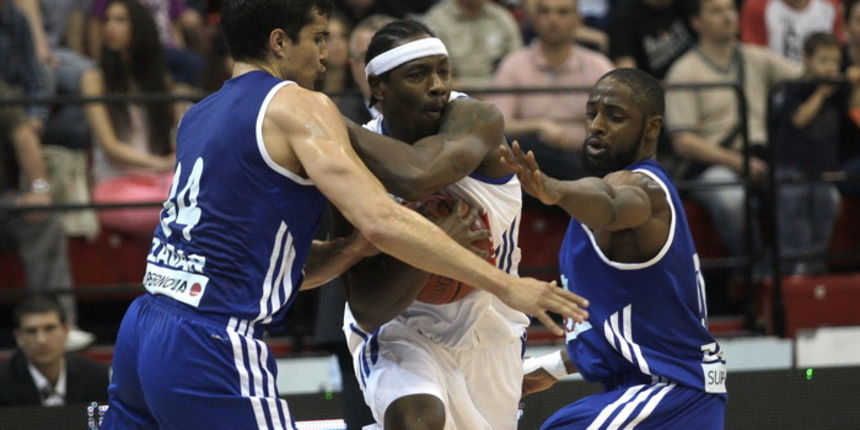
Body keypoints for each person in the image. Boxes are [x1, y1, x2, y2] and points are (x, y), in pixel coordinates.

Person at [100, 2, 588, 429]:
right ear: (278, 41)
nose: (325, 55)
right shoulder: (297, 104)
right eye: (316, 39)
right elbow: (384, 220)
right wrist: (508, 285)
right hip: (207, 338)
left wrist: (352, 250)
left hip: (143, 325)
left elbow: (277, 262)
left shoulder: (197, 116)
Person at [337, 19, 553, 430]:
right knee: (418, 422)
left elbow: (418, 174)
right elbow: (366, 309)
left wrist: (331, 123)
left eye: (443, 70)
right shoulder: (349, 163)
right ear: (378, 89)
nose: (437, 85)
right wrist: (430, 253)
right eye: (418, 74)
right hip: (402, 329)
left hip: (492, 330)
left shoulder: (478, 117)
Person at [502, 68, 727, 429]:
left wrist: (553, 190)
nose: (597, 125)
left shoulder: (643, 188)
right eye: (593, 112)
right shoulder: (599, 192)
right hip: (674, 392)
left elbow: (613, 204)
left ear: (652, 128)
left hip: (670, 392)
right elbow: (629, 330)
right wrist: (553, 366)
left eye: (615, 116)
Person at [663, 0, 801, 282]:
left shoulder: (757, 57)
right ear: (696, 23)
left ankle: (798, 270)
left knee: (806, 186)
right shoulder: (683, 71)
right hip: (710, 161)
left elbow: (805, 76)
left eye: (730, 9)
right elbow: (683, 141)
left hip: (760, 154)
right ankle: (754, 269)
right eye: (716, 11)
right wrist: (737, 162)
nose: (727, 16)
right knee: (731, 198)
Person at [0, 0, 94, 351]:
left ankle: (59, 324)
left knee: (43, 218)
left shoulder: (14, 19)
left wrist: (39, 189)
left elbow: (24, 133)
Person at [81, 0, 177, 239]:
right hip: (115, 182)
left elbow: (177, 133)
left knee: (208, 195)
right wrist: (161, 163)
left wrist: (168, 164)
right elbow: (110, 146)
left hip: (159, 178)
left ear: (140, 28)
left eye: (120, 20)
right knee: (173, 208)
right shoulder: (94, 79)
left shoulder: (161, 81)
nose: (109, 27)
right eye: (107, 20)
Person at [490, 0, 614, 181]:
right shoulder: (514, 64)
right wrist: (539, 125)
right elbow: (498, 124)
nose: (553, 20)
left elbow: (613, 125)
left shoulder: (598, 65)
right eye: (545, 12)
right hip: (531, 159)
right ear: (534, 19)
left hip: (585, 156)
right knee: (517, 147)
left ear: (578, 21)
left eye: (562, 13)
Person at [772, 32, 855, 274]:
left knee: (825, 213)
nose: (830, 67)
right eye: (823, 60)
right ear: (807, 60)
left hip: (824, 171)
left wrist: (854, 82)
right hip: (792, 169)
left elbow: (853, 110)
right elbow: (799, 119)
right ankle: (791, 271)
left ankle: (815, 269)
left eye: (835, 61)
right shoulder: (795, 88)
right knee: (793, 218)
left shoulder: (839, 90)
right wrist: (821, 93)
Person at [0, 295, 109, 406]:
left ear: (66, 331)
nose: (41, 340)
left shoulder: (97, 377)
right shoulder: (3, 384)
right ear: (18, 337)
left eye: (49, 328)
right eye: (31, 331)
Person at [424, 0, 523, 88]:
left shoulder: (502, 18)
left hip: (500, 92)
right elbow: (435, 77)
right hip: (455, 95)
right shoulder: (436, 22)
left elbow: (517, 65)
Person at [740, 0, 841, 62]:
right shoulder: (759, 7)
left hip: (822, 82)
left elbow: (838, 52)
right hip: (776, 84)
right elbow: (753, 57)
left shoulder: (829, 7)